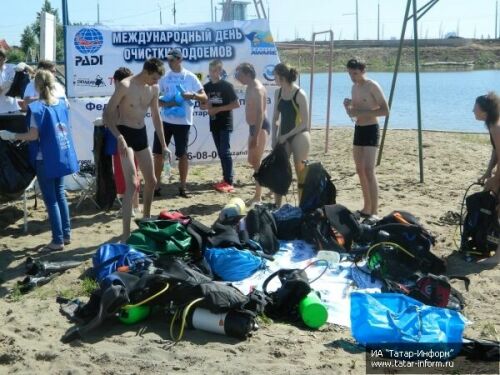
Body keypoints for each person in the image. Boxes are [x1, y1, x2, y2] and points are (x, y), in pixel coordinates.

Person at [0, 70, 78, 251]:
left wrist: (12, 135)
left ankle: (57, 240)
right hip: (60, 155)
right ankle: (66, 235)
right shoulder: (59, 104)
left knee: (51, 200)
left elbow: (33, 136)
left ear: (35, 86)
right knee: (60, 195)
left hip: (45, 158)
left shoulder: (37, 109)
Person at [103, 58, 170, 242]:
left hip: (140, 134)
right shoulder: (125, 85)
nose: (157, 82)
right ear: (147, 72)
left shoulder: (154, 89)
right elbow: (107, 113)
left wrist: (164, 145)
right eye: (155, 78)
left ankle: (146, 219)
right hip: (124, 134)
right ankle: (125, 234)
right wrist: (119, 137)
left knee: (152, 180)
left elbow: (156, 116)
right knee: (132, 184)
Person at [154, 48, 207, 198]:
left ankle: (183, 187)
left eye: (172, 59)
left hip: (183, 123)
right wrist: (166, 104)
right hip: (165, 121)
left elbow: (204, 97)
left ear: (180, 60)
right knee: (158, 154)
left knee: (182, 155)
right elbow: (155, 99)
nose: (169, 62)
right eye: (168, 60)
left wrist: (193, 95)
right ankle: (156, 186)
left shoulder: (190, 77)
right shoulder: (164, 77)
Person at [343, 58, 389, 222]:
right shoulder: (354, 87)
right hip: (359, 129)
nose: (352, 77)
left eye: (355, 73)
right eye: (349, 73)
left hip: (371, 129)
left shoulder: (372, 85)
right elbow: (352, 114)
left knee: (369, 169)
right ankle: (367, 207)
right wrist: (347, 107)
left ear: (363, 71)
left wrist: (361, 113)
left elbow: (385, 110)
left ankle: (375, 211)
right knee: (360, 169)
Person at [271, 63, 311, 207]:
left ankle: (302, 206)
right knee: (279, 170)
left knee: (300, 172)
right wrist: (274, 138)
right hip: (283, 136)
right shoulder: (278, 93)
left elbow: (305, 123)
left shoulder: (299, 94)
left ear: (282, 77)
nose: (273, 78)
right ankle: (277, 206)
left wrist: (286, 135)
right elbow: (275, 118)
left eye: (274, 75)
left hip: (299, 135)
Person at [201, 59, 240, 193]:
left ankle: (229, 181)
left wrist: (218, 109)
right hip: (214, 123)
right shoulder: (206, 87)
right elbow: (201, 105)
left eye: (215, 70)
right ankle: (225, 179)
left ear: (220, 71)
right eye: (211, 70)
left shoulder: (227, 86)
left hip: (225, 123)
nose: (212, 73)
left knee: (225, 152)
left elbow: (236, 104)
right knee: (221, 153)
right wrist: (206, 106)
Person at [235, 62, 270, 205]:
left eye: (240, 75)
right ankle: (268, 182)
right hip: (254, 127)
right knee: (252, 160)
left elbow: (261, 114)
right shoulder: (248, 87)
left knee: (256, 161)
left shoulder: (257, 89)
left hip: (260, 127)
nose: (238, 78)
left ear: (248, 74)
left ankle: (258, 196)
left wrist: (255, 136)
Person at [108, 67, 140, 215]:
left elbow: (113, 119)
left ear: (116, 81)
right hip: (136, 137)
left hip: (123, 139)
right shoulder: (136, 94)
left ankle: (128, 208)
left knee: (125, 174)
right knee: (134, 172)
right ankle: (135, 206)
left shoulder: (119, 95)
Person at [475, 93, 500, 186]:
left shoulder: (496, 128)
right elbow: (496, 150)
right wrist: (488, 171)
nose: (472, 111)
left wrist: (496, 178)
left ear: (484, 113)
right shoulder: (492, 124)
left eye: (475, 108)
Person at [0, 47, 20, 113]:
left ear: (5, 59)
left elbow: (31, 71)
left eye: (1, 58)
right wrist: (7, 84)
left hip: (12, 108)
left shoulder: (12, 67)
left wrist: (24, 65)